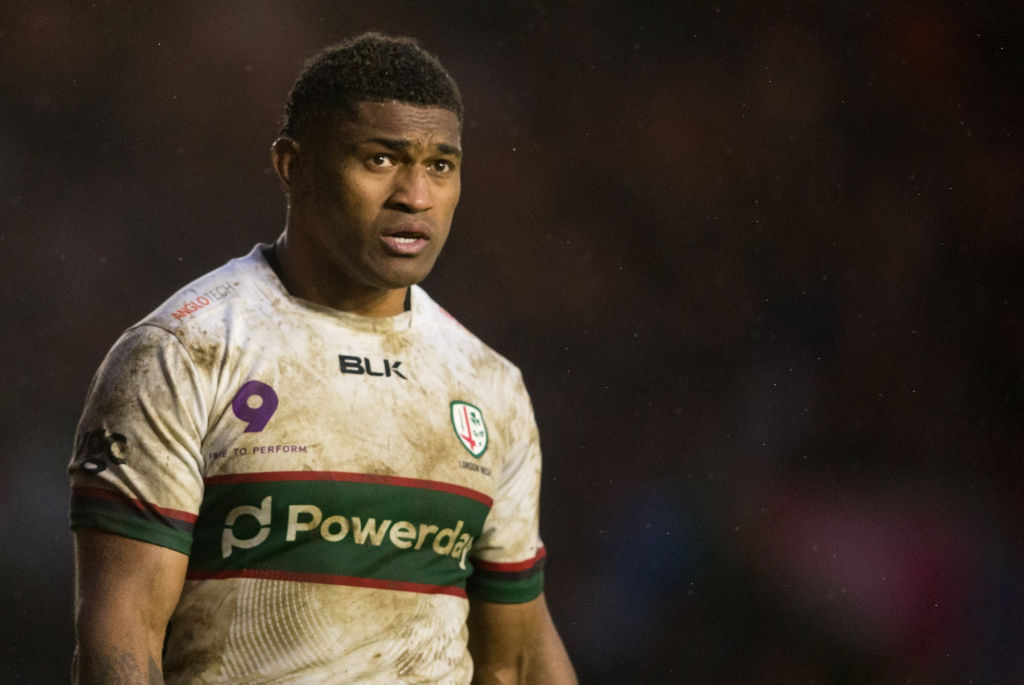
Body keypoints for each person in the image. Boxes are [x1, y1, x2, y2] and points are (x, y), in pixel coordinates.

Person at [68, 32, 577, 684]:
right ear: (292, 165)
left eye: (440, 166)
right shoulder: (180, 355)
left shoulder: (488, 384)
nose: (415, 195)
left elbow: (518, 658)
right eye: (381, 159)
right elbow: (123, 630)